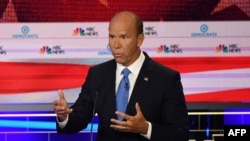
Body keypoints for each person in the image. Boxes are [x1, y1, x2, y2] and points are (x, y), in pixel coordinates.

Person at [53, 11, 189, 141]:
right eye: (112, 37)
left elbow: (180, 135)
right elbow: (79, 119)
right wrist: (64, 117)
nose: (116, 45)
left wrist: (146, 128)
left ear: (139, 40)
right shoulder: (98, 74)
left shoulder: (166, 79)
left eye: (124, 37)